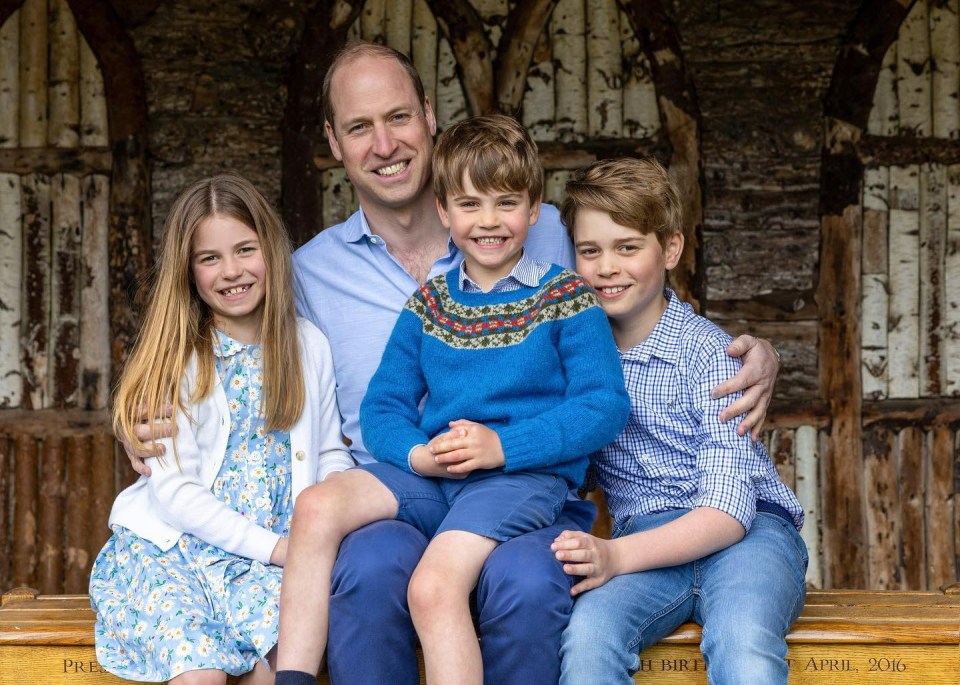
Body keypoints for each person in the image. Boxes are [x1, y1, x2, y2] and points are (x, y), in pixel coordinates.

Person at [127, 43, 780, 684]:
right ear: (334, 141)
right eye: (360, 127)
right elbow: (216, 334)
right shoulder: (312, 276)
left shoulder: (552, 242)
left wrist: (754, 351)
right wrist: (144, 414)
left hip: (527, 484)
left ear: (429, 119)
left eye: (398, 117)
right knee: (369, 564)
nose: (384, 144)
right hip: (405, 485)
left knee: (524, 579)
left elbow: (638, 290)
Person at [273, 114, 631, 685]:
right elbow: (384, 407)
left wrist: (502, 446)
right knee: (317, 506)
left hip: (519, 479)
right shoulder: (429, 305)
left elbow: (604, 404)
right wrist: (417, 454)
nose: (488, 222)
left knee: (434, 586)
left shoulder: (565, 298)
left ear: (535, 210)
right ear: (444, 212)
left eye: (506, 203)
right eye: (469, 205)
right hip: (436, 477)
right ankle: (289, 679)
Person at [552, 158, 807, 685]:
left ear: (669, 248)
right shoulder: (579, 364)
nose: (606, 267)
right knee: (588, 637)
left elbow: (729, 512)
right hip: (646, 544)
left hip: (749, 538)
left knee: (743, 638)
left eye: (628, 247)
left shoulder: (711, 356)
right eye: (589, 250)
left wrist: (614, 555)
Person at [90, 175, 354, 685]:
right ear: (188, 272)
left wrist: (329, 506)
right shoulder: (179, 358)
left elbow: (328, 452)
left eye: (245, 249)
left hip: (267, 564)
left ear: (271, 251)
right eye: (209, 258)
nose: (231, 271)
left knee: (275, 668)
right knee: (202, 674)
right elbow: (174, 492)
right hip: (174, 551)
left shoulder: (307, 346)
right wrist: (278, 548)